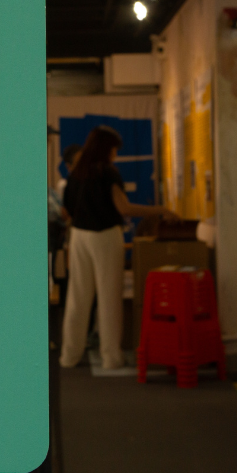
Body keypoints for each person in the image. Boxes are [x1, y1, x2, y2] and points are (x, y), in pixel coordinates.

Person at [60, 126, 177, 369]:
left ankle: (69, 356)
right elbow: (124, 208)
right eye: (114, 149)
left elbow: (67, 210)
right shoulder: (108, 172)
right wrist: (161, 210)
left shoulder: (76, 173)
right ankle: (111, 357)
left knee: (77, 297)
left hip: (79, 236)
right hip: (105, 236)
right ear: (106, 149)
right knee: (109, 297)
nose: (115, 154)